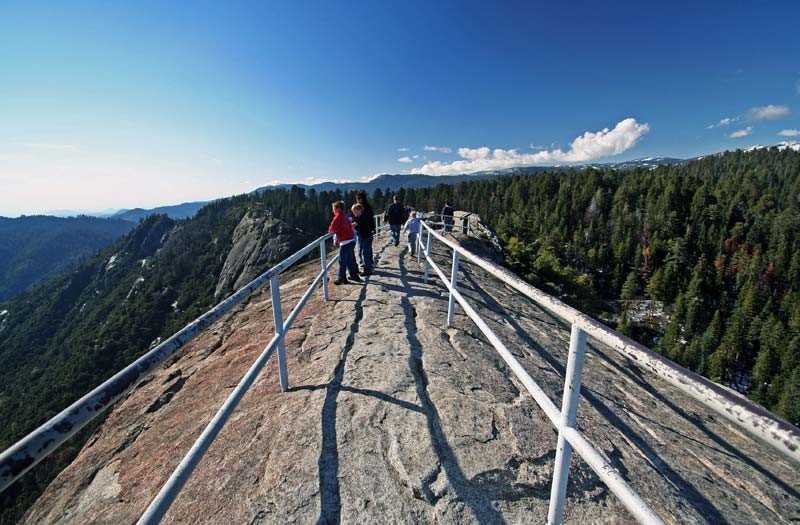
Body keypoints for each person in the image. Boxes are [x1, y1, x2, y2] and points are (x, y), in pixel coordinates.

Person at [328, 200, 361, 285]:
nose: (333, 211)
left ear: (338, 209)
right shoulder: (344, 215)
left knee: (342, 261)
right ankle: (354, 275)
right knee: (350, 259)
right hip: (350, 239)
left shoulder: (338, 217)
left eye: (333, 209)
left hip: (345, 241)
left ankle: (341, 277)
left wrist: (332, 230)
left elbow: (332, 228)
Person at [353, 191, 376, 275]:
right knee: (364, 250)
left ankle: (367, 267)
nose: (358, 200)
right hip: (364, 232)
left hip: (365, 232)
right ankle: (368, 264)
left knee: (364, 251)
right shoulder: (361, 207)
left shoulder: (364, 208)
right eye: (357, 198)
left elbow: (369, 219)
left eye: (359, 198)